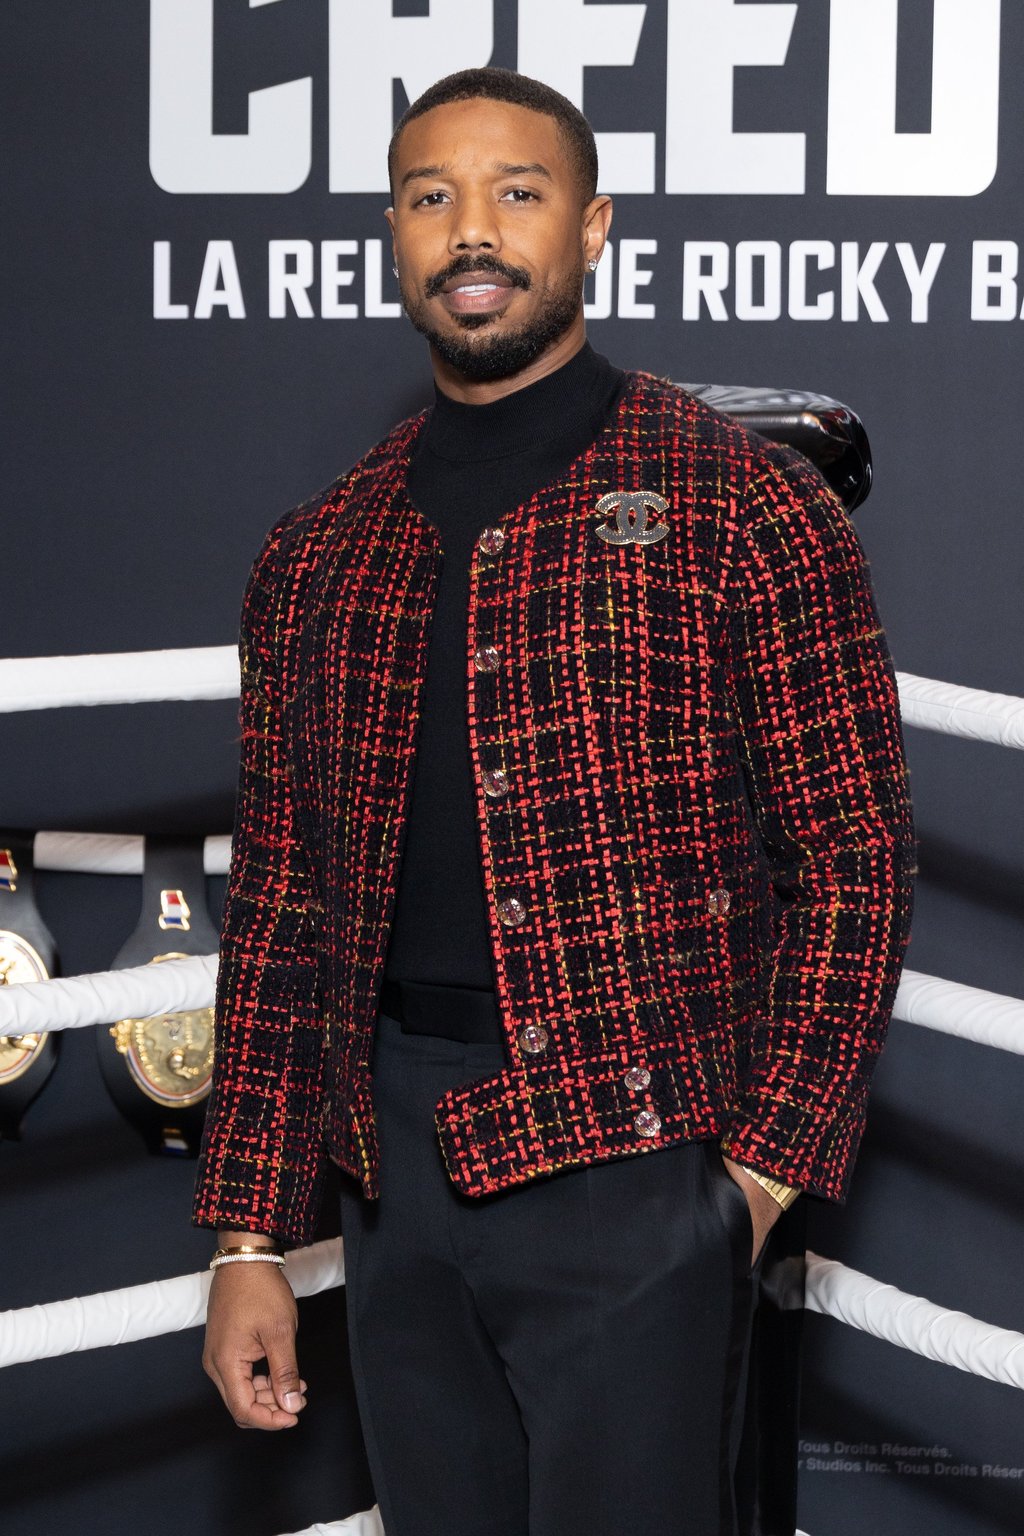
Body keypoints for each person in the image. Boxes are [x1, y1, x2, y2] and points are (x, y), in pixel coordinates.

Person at [192, 66, 914, 1536]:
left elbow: (853, 859)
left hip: (642, 1160)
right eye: (432, 196)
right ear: (395, 234)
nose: (473, 229)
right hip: (391, 1166)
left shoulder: (739, 503)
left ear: (591, 229)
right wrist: (248, 1237)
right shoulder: (317, 553)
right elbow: (280, 906)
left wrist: (756, 1178)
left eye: (516, 194)